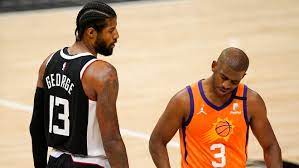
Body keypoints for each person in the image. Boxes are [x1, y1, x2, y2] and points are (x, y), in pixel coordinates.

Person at [29, 1, 129, 168]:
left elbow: (36, 127)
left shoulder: (48, 63)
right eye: (111, 30)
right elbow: (112, 140)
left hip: (55, 161)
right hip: (90, 163)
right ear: (91, 32)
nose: (116, 35)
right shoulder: (103, 74)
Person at [149, 47, 282, 168]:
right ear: (214, 66)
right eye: (223, 77)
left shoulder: (251, 102)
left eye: (234, 82)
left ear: (243, 77)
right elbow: (157, 141)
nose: (226, 85)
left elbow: (271, 146)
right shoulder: (185, 101)